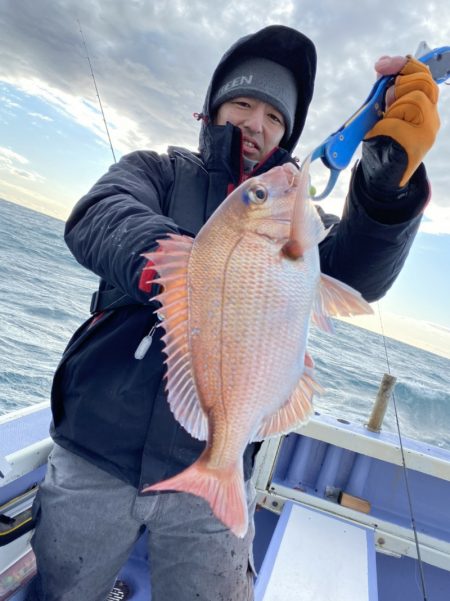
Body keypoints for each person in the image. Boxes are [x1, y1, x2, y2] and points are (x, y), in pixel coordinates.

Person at [28, 24, 439, 601]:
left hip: (214, 471)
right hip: (95, 450)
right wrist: (186, 274)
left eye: (274, 115)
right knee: (63, 589)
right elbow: (97, 214)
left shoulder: (299, 228)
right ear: (210, 112)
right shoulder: (159, 172)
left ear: (286, 134)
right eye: (242, 103)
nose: (256, 122)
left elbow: (358, 273)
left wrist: (386, 180)